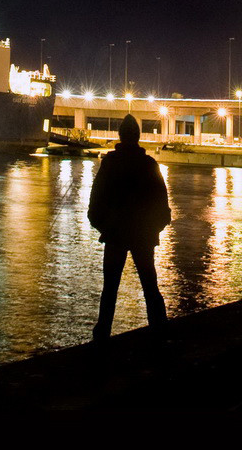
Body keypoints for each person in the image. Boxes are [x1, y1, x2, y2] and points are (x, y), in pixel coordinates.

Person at [87, 114, 171, 342]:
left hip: (114, 234)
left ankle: (102, 336)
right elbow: (163, 206)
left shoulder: (110, 163)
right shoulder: (149, 164)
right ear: (138, 136)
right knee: (150, 286)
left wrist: (103, 226)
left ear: (120, 136)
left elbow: (95, 202)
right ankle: (160, 332)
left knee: (110, 290)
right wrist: (153, 229)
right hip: (143, 235)